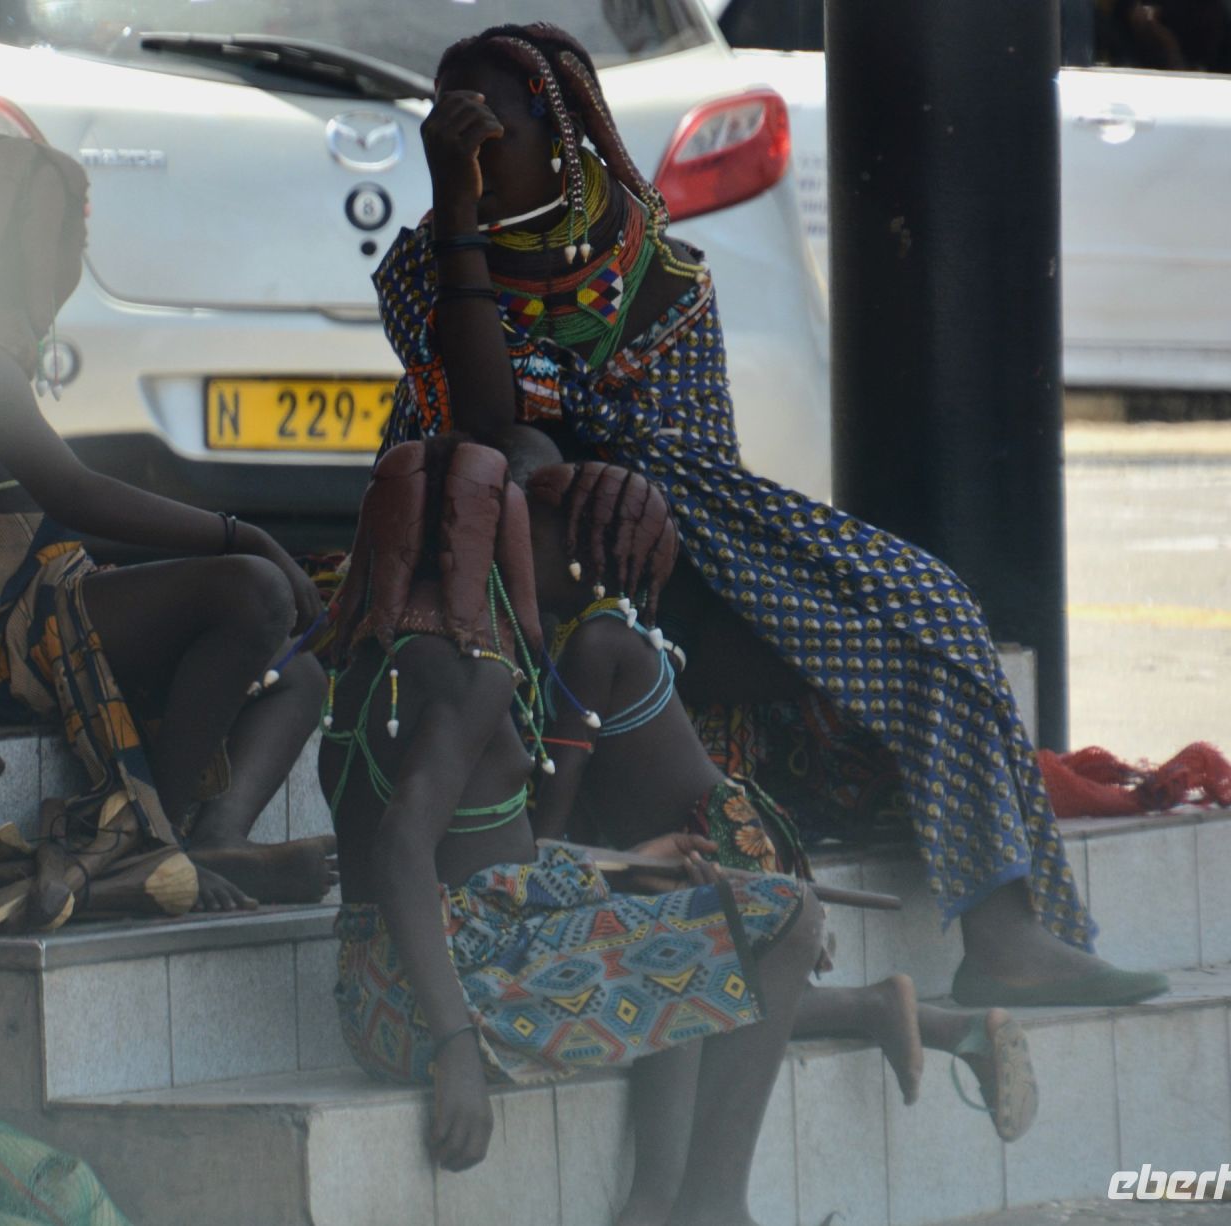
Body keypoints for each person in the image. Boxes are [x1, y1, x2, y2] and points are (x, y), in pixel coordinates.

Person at [374, 21, 1167, 1008]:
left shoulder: (661, 278)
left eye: (483, 125)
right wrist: (456, 206)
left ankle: (1004, 935)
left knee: (927, 605)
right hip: (506, 581)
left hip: (670, 557)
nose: (461, 143)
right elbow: (487, 422)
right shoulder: (428, 272)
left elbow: (697, 469)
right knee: (522, 468)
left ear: (557, 132)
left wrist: (620, 478)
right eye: (444, 123)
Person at [323, 436, 823, 1226]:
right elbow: (402, 849)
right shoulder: (474, 672)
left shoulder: (360, 671)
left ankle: (667, 1207)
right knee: (790, 915)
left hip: (373, 1001)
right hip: (443, 1002)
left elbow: (480, 866)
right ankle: (707, 1210)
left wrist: (631, 867)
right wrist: (457, 1049)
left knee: (674, 904)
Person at [0, 134, 333, 914]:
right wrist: (248, 538)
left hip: (40, 622)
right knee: (255, 593)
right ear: (15, 241)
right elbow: (75, 496)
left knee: (298, 672)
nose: (72, 262)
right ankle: (158, 842)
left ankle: (214, 835)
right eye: (66, 236)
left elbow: (51, 527)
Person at [522, 457, 1038, 1143]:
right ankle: (927, 1021)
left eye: (527, 537)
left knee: (708, 998)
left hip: (712, 844)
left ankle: (887, 1010)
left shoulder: (592, 645)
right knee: (723, 993)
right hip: (718, 835)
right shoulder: (594, 632)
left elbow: (546, 824)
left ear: (581, 551)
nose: (510, 553)